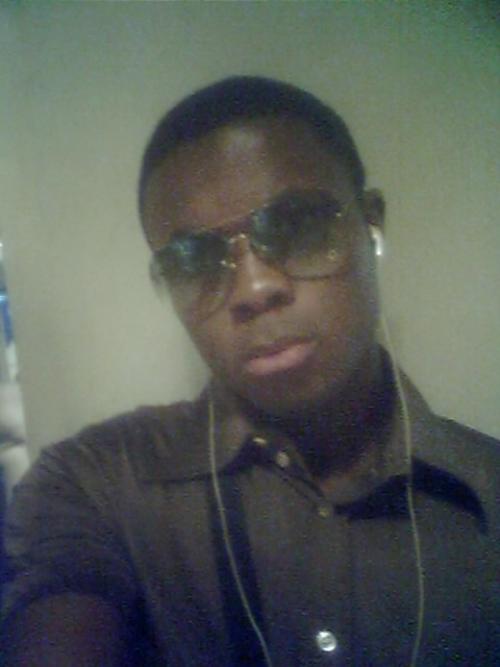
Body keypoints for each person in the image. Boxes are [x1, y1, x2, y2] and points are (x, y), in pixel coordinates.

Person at [1, 77, 498, 666]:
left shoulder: (486, 496)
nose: (255, 288)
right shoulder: (94, 485)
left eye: (299, 225)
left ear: (371, 226)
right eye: (194, 259)